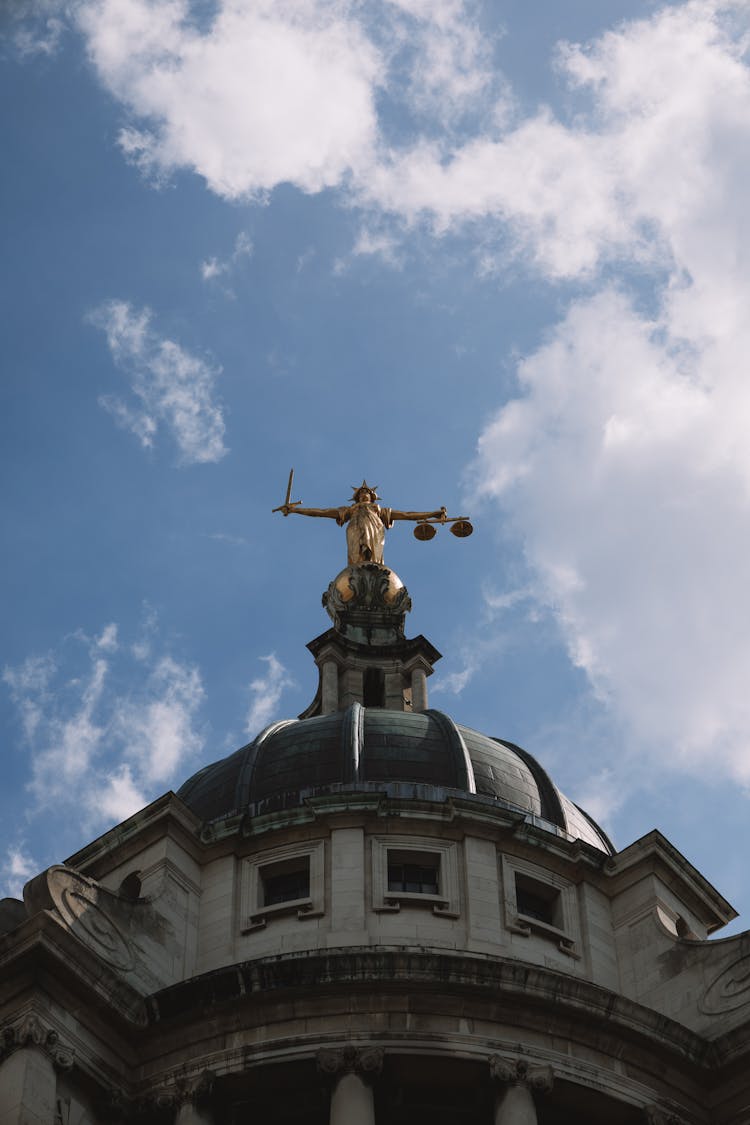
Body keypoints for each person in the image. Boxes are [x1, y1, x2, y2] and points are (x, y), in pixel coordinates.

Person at [278, 482, 447, 567]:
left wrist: (433, 513)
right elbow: (321, 512)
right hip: (355, 530)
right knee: (357, 560)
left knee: (373, 562)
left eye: (367, 493)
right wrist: (295, 511)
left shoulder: (378, 509)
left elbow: (407, 515)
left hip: (375, 531)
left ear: (373, 497)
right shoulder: (350, 510)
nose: (364, 495)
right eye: (361, 494)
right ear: (357, 497)